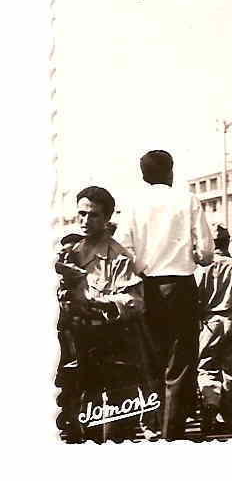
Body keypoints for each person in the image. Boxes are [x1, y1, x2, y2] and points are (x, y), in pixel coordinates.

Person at [115, 150, 213, 440]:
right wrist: (192, 255)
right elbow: (206, 252)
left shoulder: (133, 204)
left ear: (144, 176)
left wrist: (141, 267)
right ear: (171, 172)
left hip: (147, 287)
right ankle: (173, 432)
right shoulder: (187, 200)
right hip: (181, 287)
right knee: (180, 364)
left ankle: (153, 426)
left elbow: (123, 250)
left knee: (151, 361)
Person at [58, 186, 158, 441]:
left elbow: (134, 300)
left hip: (112, 340)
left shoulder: (118, 256)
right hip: (78, 341)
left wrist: (102, 303)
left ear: (106, 219)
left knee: (115, 409)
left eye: (93, 215)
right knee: (84, 403)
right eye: (81, 214)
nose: (85, 221)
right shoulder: (71, 253)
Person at [195, 225, 232, 435]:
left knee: (206, 367)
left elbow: (197, 297)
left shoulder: (202, 267)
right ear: (228, 242)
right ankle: (229, 419)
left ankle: (210, 401)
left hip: (210, 321)